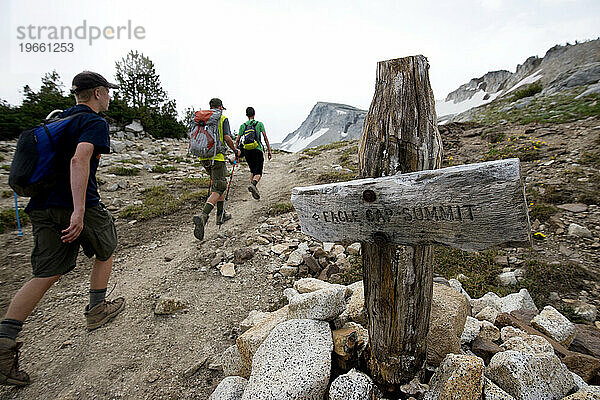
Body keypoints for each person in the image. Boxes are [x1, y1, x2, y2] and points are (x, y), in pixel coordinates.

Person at [0, 71, 125, 386]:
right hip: (78, 204)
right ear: (97, 93)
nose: (109, 97)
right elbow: (79, 160)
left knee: (45, 273)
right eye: (107, 92)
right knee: (106, 247)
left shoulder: (56, 120)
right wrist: (80, 211)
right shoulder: (93, 122)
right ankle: (97, 310)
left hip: (41, 207)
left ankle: (3, 343)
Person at [193, 98, 240, 241]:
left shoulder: (202, 119)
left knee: (219, 184)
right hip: (217, 157)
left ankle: (221, 215)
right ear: (220, 107)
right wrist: (235, 149)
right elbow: (226, 137)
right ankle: (204, 215)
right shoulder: (222, 118)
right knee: (219, 187)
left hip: (203, 157)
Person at [236, 107, 272, 200]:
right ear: (254, 114)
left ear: (246, 115)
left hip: (247, 150)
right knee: (258, 172)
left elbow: (237, 140)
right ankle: (253, 185)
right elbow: (265, 137)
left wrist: (237, 152)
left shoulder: (243, 125)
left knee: (252, 170)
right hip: (257, 149)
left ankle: (253, 189)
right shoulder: (259, 124)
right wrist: (269, 150)